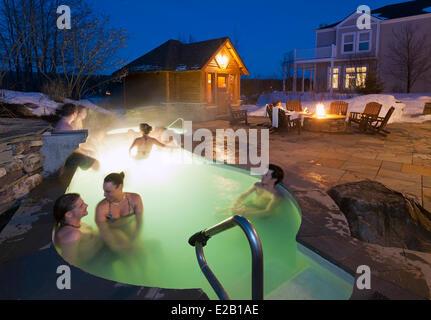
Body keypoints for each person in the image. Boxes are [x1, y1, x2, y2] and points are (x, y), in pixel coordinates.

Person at [95, 172, 143, 253]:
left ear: (120, 187)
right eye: (104, 191)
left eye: (108, 191)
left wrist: (136, 238)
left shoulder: (135, 199)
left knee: (141, 250)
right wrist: (114, 246)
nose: (104, 194)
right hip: (112, 230)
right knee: (127, 251)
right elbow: (103, 230)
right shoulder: (102, 207)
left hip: (127, 226)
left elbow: (139, 221)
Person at [52, 193, 103, 265]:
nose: (86, 205)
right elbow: (69, 264)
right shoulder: (72, 235)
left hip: (100, 251)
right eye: (81, 206)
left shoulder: (74, 225)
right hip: (95, 261)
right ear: (69, 214)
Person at [220, 164, 284, 216]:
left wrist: (245, 212)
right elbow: (244, 195)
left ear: (274, 179)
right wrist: (234, 206)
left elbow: (267, 212)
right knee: (220, 213)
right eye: (263, 173)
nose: (262, 176)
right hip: (249, 206)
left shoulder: (276, 195)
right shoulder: (258, 185)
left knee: (230, 215)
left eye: (266, 175)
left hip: (259, 213)